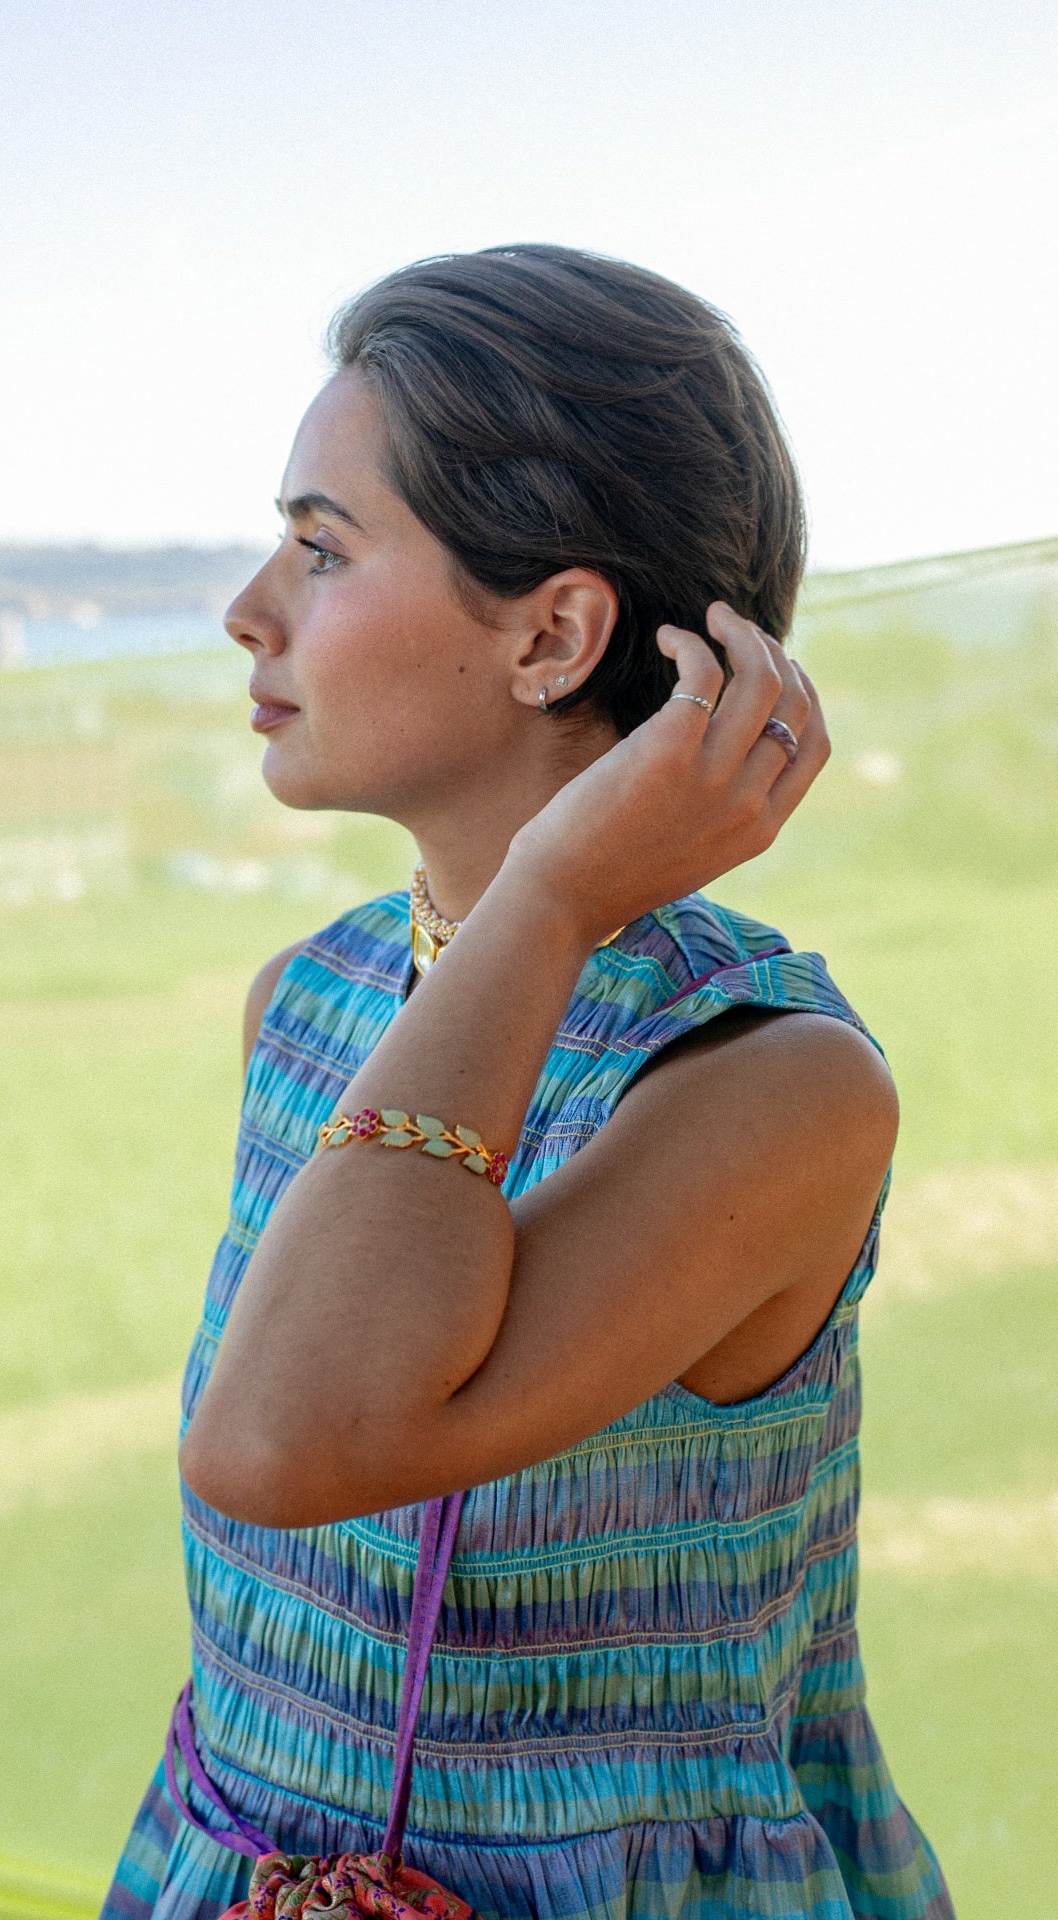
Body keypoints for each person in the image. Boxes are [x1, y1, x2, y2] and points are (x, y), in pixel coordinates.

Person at [102, 244, 953, 1919]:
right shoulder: (312, 1001)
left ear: (555, 634)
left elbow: (284, 1440)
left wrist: (555, 894)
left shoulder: (771, 1086)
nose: (249, 610)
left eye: (322, 546)